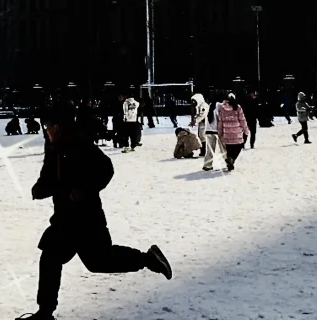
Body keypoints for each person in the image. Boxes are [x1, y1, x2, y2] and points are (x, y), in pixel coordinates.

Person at [18, 110, 172, 320]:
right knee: (58, 259)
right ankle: (45, 312)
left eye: (48, 127)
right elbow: (50, 176)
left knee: (92, 261)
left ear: (57, 127)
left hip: (87, 219)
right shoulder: (53, 148)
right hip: (65, 219)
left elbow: (106, 169)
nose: (46, 131)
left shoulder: (80, 144)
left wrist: (84, 190)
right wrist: (40, 188)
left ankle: (148, 259)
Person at [217, 93, 249, 171]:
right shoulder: (237, 107)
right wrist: (246, 130)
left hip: (226, 132)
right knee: (239, 145)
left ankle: (230, 162)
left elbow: (220, 121)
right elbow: (242, 120)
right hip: (237, 132)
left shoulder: (222, 108)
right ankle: (231, 160)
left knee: (229, 149)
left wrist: (220, 132)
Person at [189, 93, 209, 157]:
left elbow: (202, 115)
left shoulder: (203, 106)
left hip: (204, 123)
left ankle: (204, 151)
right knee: (201, 136)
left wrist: (195, 121)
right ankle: (203, 150)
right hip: (202, 123)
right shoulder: (199, 105)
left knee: (203, 136)